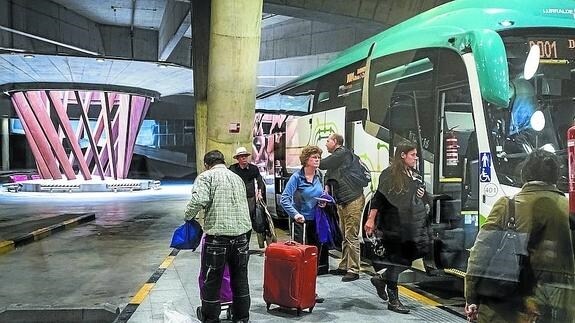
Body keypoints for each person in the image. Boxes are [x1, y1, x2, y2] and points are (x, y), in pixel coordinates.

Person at [465, 149, 575, 323]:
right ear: (556, 176)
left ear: (525, 173)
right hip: (562, 304)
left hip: (510, 304)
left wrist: (471, 297)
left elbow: (481, 254)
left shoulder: (507, 206)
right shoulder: (568, 209)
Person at [185, 150, 252, 323]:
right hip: (241, 239)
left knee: (212, 282)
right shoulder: (237, 178)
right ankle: (242, 318)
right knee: (240, 280)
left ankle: (211, 319)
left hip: (217, 240)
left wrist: (187, 215)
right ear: (223, 161)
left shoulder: (206, 177)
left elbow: (199, 200)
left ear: (207, 164)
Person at [364, 140, 430, 314]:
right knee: (398, 259)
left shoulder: (413, 173)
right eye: (412, 155)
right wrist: (371, 219)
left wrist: (422, 195)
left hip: (411, 224)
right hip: (393, 224)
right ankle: (393, 300)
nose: (415, 158)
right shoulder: (389, 174)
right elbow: (378, 197)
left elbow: (421, 197)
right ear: (402, 155)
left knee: (410, 258)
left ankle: (382, 278)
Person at [280, 145, 328, 303]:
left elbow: (321, 194)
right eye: (314, 157)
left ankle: (310, 291)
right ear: (306, 160)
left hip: (316, 220)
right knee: (299, 258)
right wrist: (295, 214)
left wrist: (323, 201)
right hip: (300, 222)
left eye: (319, 157)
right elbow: (285, 198)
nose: (317, 160)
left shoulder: (319, 175)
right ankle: (296, 291)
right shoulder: (296, 177)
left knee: (313, 258)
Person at [319, 133, 365, 282]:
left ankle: (353, 270)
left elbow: (323, 164)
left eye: (327, 141)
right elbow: (329, 175)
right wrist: (326, 188)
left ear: (335, 142)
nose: (326, 144)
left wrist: (313, 156)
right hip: (343, 200)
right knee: (345, 235)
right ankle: (344, 265)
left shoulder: (341, 153)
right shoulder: (339, 159)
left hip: (352, 199)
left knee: (351, 235)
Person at [229, 146, 267, 248]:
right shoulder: (232, 169)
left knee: (249, 219)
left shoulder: (253, 168)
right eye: (241, 157)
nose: (244, 158)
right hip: (237, 198)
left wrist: (260, 192)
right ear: (238, 159)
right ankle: (238, 244)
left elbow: (260, 180)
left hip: (250, 198)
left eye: (245, 156)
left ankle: (246, 244)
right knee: (237, 220)